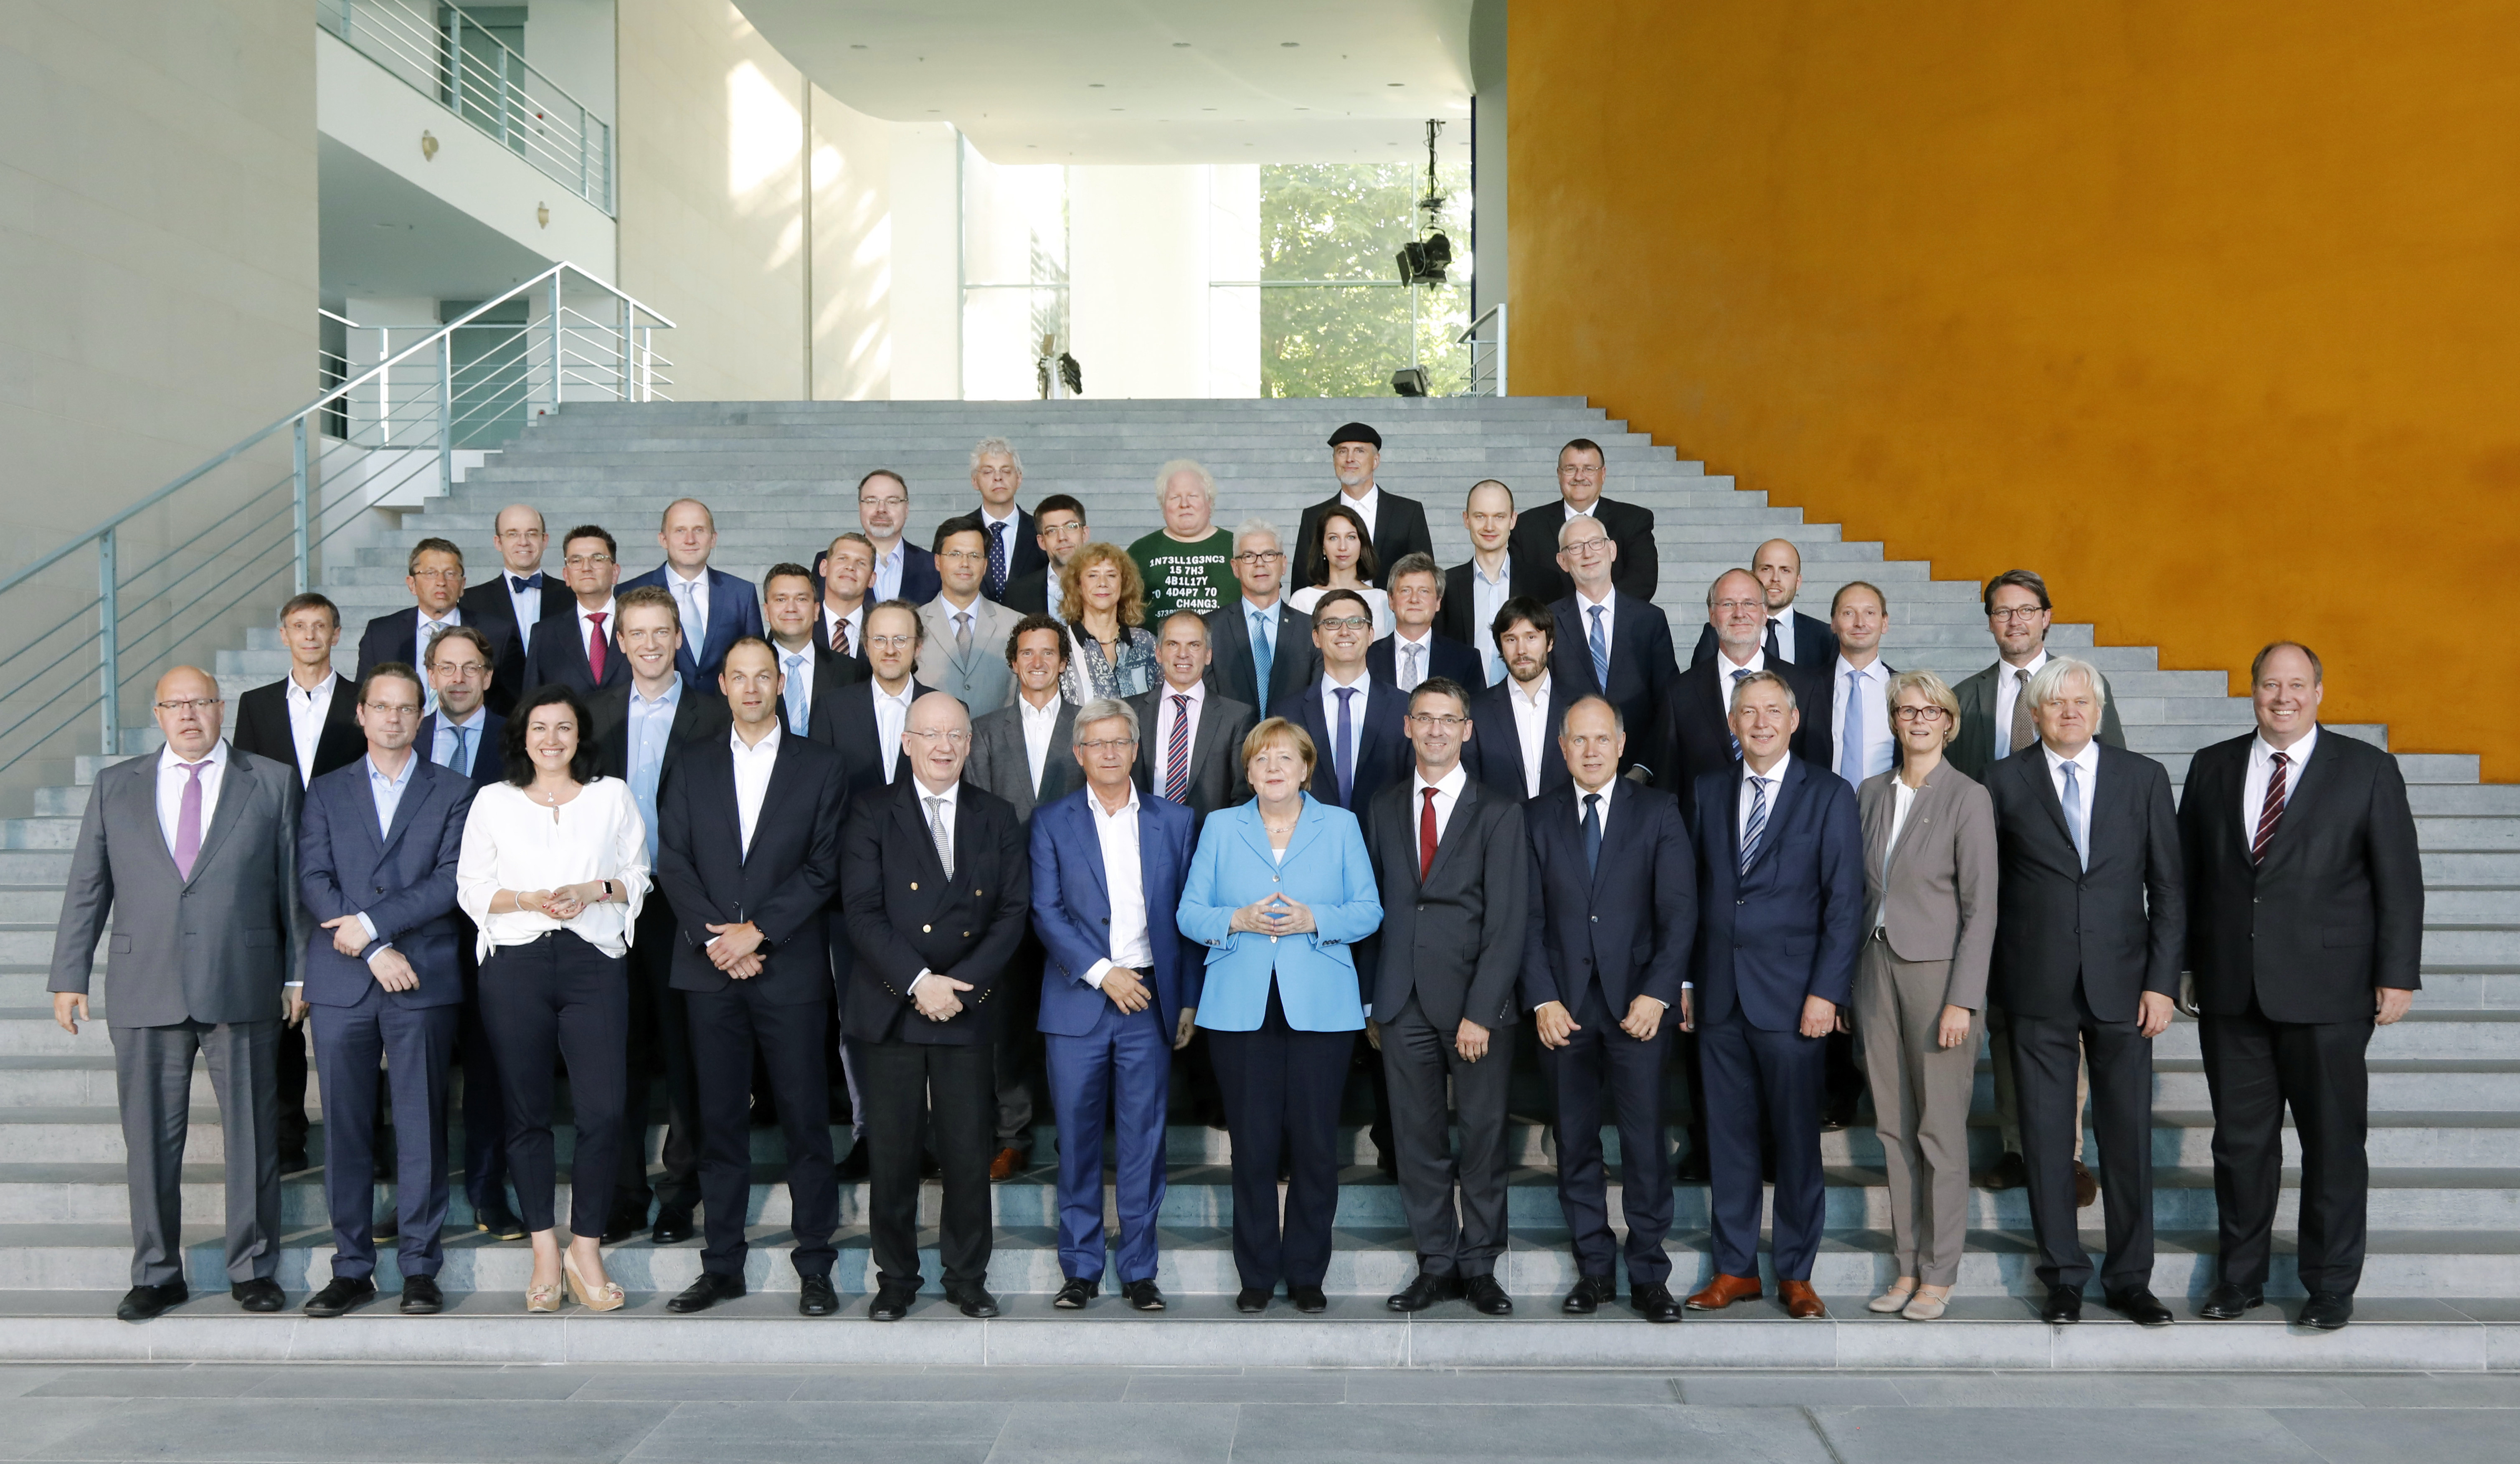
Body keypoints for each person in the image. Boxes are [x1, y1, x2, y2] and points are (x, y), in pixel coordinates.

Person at [48, 667, 304, 1323]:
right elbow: (88, 885)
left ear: (222, 708)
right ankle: (157, 1273)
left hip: (242, 980)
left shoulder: (271, 780)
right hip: (145, 981)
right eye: (176, 704)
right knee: (150, 1140)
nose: (190, 714)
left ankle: (252, 1269)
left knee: (252, 1137)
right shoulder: (116, 786)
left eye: (202, 701)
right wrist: (69, 972)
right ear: (157, 714)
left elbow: (291, 888)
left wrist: (299, 974)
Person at [2180, 643, 2421, 1332]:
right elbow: (2188, 878)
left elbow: (2397, 882)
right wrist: (2184, 965)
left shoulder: (2366, 770)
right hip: (2230, 992)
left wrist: (2395, 973)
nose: (2279, 697)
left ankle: (2327, 1285)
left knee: (2332, 1145)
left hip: (2329, 991)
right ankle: (2238, 1278)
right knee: (2239, 1146)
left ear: (2318, 690)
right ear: (2249, 691)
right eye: (2267, 684)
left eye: (2293, 684)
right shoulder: (2211, 767)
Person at [1983, 656, 2183, 1327]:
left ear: (2098, 711)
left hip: (2126, 987)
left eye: (2081, 702)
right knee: (2044, 1139)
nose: (2069, 711)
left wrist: (2161, 984)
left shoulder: (2142, 778)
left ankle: (2131, 1279)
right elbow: (1987, 892)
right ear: (2033, 712)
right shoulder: (2003, 781)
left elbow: (2170, 891)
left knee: (2125, 1138)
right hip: (2036, 984)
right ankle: (2063, 1275)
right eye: (2055, 702)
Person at [653, 637, 850, 1317]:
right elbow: (672, 861)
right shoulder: (690, 763)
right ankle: (722, 1265)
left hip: (787, 969)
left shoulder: (821, 767)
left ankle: (815, 1264)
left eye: (761, 675)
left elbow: (825, 866)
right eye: (737, 677)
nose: (749, 687)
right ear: (724, 686)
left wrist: (756, 932)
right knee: (718, 1127)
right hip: (709, 971)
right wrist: (720, 940)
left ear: (779, 683)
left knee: (803, 1123)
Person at [1178, 717, 1383, 1312]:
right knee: (1254, 1145)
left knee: (1317, 1146)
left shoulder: (1339, 825)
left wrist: (1314, 918)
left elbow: (1368, 910)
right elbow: (1189, 913)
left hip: (1320, 1006)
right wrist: (1232, 920)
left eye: (1285, 758)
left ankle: (1306, 1273)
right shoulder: (1220, 826)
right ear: (1247, 771)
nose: (1273, 767)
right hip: (1240, 1007)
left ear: (1305, 768)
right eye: (1261, 758)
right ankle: (1257, 1273)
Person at [840, 693, 1032, 1321]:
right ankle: (895, 1277)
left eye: (955, 734)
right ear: (907, 742)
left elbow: (1011, 912)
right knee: (893, 1153)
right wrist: (919, 980)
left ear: (970, 744)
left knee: (967, 1152)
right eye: (930, 734)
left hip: (966, 1007)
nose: (943, 745)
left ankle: (966, 1275)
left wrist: (961, 985)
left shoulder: (996, 814)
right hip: (893, 1005)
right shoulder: (871, 811)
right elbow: (861, 912)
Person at [455, 684, 647, 1313]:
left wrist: (594, 889)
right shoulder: (493, 801)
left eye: (564, 727)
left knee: (605, 1110)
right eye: (540, 727)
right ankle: (544, 1244)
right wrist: (531, 899)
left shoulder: (609, 795)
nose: (552, 739)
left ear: (579, 735)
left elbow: (639, 874)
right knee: (526, 1112)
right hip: (515, 963)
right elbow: (472, 887)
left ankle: (584, 1245)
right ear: (522, 736)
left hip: (594, 961)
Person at [292, 661, 476, 1318]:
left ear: (421, 716)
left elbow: (452, 879)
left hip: (421, 976)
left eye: (406, 708)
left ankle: (421, 1267)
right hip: (345, 980)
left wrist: (374, 924)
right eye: (382, 707)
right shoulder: (326, 789)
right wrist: (371, 946)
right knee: (345, 1129)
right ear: (361, 714)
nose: (393, 718)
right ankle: (351, 1267)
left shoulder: (455, 790)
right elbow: (312, 877)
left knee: (422, 1125)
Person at [1682, 670, 1863, 1323]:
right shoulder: (1706, 791)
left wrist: (1826, 991)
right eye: (1746, 712)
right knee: (1727, 1138)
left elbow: (1845, 905)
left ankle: (1795, 1273)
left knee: (1793, 1140)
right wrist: (1685, 980)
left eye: (1771, 711)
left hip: (1794, 1000)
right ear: (1732, 724)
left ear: (1792, 721)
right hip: (1720, 995)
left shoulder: (1829, 794)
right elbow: (1692, 895)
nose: (1759, 722)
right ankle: (1734, 1269)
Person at [1521, 695, 1693, 1319]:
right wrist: (1540, 995)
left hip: (1637, 1010)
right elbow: (1526, 919)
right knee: (1574, 1142)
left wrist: (1656, 993)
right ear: (1562, 748)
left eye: (1602, 740)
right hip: (1562, 1011)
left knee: (1646, 1143)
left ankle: (1649, 1272)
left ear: (1621, 745)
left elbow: (1680, 914)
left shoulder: (1658, 810)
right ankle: (1593, 1268)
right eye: (1578, 740)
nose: (1590, 751)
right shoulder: (1535, 817)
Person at [1952, 570, 2120, 1195]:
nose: (2014, 622)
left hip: (2069, 901)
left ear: (2047, 617)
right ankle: (2018, 1147)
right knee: (2004, 1024)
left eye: (2026, 611)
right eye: (2001, 612)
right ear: (1989, 621)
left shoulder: (2083, 690)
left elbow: (2116, 792)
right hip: (1996, 891)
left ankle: (2066, 1153)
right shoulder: (1966, 697)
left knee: (2065, 1030)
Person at [1363, 676, 1527, 1315]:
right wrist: (1374, 1000)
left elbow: (1508, 920)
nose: (1435, 729)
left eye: (1447, 719)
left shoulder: (1499, 811)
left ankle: (1480, 1264)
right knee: (1416, 1138)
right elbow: (1374, 907)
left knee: (1483, 1136)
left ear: (1467, 729)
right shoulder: (1381, 805)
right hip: (1400, 1003)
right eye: (1423, 718)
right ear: (1406, 727)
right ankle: (1435, 1260)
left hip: (1474, 1008)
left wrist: (1481, 1010)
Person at [1029, 698, 1199, 1311]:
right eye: (1096, 743)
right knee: (1075, 1140)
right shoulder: (1050, 821)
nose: (1108, 752)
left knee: (1142, 1141)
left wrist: (1185, 1001)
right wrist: (1105, 974)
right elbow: (1045, 912)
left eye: (1119, 742)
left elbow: (1188, 915)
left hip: (1150, 1000)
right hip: (1080, 999)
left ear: (1135, 749)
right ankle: (1079, 1267)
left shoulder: (1174, 821)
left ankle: (1138, 1269)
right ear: (1078, 754)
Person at [1853, 669, 1996, 1323]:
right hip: (1875, 970)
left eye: (1929, 708)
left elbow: (1981, 908)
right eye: (1904, 708)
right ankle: (1907, 1265)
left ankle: (1940, 1272)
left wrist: (1963, 1000)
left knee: (1938, 1128)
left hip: (1938, 977)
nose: (1916, 717)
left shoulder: (1968, 797)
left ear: (1948, 721)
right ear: (1892, 720)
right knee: (1892, 1126)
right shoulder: (1870, 793)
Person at [588, 587, 727, 1244]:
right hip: (610, 908)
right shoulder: (591, 716)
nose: (648, 643)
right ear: (620, 641)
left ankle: (681, 1190)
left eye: (660, 632)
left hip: (684, 906)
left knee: (685, 1056)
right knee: (616, 1056)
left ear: (678, 639)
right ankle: (622, 1192)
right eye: (635, 632)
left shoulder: (715, 713)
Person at [230, 591, 363, 1173]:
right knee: (280, 1005)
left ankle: (364, 1137)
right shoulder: (256, 704)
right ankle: (287, 1135)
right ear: (284, 634)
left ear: (337, 633)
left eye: (320, 626)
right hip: (275, 866)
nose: (309, 635)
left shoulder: (364, 700)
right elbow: (243, 785)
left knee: (354, 1003)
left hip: (348, 865)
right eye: (298, 626)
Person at [965, 615, 1084, 1180]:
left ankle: (1076, 1136)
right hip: (1006, 904)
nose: (1038, 661)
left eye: (1049, 652)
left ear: (1064, 662)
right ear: (1013, 663)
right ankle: (1011, 1135)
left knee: (1072, 1024)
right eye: (1028, 653)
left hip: (1076, 904)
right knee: (1007, 1025)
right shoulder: (984, 730)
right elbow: (978, 823)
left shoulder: (1090, 727)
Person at [819, 598, 935, 1178]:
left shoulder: (942, 707)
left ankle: (927, 1134)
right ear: (864, 645)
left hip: (933, 891)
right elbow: (819, 801)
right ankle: (871, 1133)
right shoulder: (833, 707)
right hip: (854, 890)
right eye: (879, 639)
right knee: (859, 1018)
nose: (890, 649)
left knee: (930, 1009)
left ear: (918, 645)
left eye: (901, 639)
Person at [413, 625, 520, 1238]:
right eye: (446, 666)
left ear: (486, 675)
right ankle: (414, 1192)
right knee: (416, 1070)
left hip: (493, 928)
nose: (457, 677)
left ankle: (487, 1189)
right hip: (420, 931)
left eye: (470, 667)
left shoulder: (518, 738)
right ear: (431, 673)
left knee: (489, 1066)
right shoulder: (405, 733)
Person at [1657, 569, 1833, 825]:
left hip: (1788, 847)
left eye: (1749, 604)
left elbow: (1819, 780)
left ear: (1764, 614)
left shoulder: (1806, 688)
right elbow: (1668, 790)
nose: (1740, 613)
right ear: (1712, 615)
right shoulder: (1678, 693)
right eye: (1728, 604)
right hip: (1705, 852)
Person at [1546, 516, 1677, 775]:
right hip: (1569, 775)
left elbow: (1669, 704)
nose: (1588, 553)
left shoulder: (1650, 620)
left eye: (1596, 543)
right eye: (1576, 547)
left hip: (1639, 776)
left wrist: (1644, 767)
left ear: (1612, 550)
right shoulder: (1546, 623)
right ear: (1563, 561)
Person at [1270, 588, 1408, 820]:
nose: (1345, 631)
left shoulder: (1404, 707)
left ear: (1371, 634)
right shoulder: (1286, 712)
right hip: (1310, 843)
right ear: (1316, 638)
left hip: (1383, 848)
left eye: (1356, 622)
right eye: (1332, 623)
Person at [619, 498, 764, 690]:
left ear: (713, 539)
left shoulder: (741, 593)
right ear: (663, 539)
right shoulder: (629, 592)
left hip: (725, 715)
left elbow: (759, 661)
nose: (690, 540)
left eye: (699, 530)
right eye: (680, 531)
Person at [358, 538, 514, 716]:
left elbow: (509, 704)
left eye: (450, 574)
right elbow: (364, 698)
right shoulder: (381, 634)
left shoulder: (498, 634)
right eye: (431, 573)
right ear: (412, 584)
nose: (441, 582)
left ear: (463, 585)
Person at [1132, 610, 1256, 821]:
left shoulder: (1237, 717)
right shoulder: (1130, 711)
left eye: (1194, 645)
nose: (1183, 654)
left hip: (1208, 844)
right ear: (1159, 653)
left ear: (1208, 655)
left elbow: (1244, 794)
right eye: (1173, 644)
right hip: (1140, 842)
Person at [1511, 439, 1658, 606]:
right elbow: (1519, 588)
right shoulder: (1526, 527)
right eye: (1570, 469)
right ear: (1559, 474)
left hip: (1614, 626)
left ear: (1603, 474)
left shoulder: (1634, 520)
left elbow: (1643, 581)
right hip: (1548, 627)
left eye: (1589, 469)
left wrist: (1597, 612)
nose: (1579, 477)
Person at [1464, 597, 1577, 802]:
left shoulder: (1580, 707)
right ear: (1500, 647)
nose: (1521, 650)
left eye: (1531, 637)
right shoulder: (1476, 712)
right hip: (1501, 831)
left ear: (1550, 642)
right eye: (1511, 639)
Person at [1295, 421, 1432, 589]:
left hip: (1391, 613)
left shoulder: (1408, 513)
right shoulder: (1313, 517)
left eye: (1359, 451)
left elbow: (1426, 577)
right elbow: (1303, 580)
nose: (1350, 459)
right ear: (1334, 461)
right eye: (1342, 451)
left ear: (1376, 461)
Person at [458, 503, 573, 699]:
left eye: (532, 534)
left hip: (558, 708)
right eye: (513, 534)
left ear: (545, 540)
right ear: (498, 542)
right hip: (497, 714)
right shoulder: (471, 601)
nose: (524, 542)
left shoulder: (572, 596)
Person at [1205, 519, 1319, 714]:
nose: (1260, 563)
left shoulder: (1310, 629)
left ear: (1284, 565)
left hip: (1293, 741)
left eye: (1269, 555)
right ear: (1235, 567)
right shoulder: (1210, 628)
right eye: (1249, 556)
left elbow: (1316, 702)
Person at [1688, 539, 1840, 673]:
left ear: (1798, 581)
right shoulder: (1717, 631)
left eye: (1785, 570)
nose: (1775, 579)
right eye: (1766, 569)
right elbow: (1699, 688)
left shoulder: (1825, 637)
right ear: (1752, 576)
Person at [917, 521, 1023, 713]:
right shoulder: (914, 624)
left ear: (985, 565)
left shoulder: (1017, 625)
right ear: (938, 562)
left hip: (998, 741)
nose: (965, 564)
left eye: (974, 556)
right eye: (955, 554)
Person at [763, 561, 864, 742]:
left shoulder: (850, 672)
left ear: (817, 610)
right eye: (781, 599)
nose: (791, 608)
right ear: (767, 611)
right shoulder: (744, 671)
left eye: (801, 599)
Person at [522, 525, 629, 696]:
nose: (586, 567)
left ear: (615, 572)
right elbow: (531, 703)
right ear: (566, 575)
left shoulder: (639, 624)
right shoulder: (544, 635)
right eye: (576, 560)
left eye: (598, 559)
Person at [1127, 458, 1237, 623]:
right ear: (1163, 505)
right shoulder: (1139, 552)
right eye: (1175, 498)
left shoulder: (1238, 546)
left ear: (1210, 501)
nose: (1184, 504)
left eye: (1193, 496)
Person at [1441, 480, 1526, 684]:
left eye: (1499, 517)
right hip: (1463, 704)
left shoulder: (1544, 583)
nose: (1489, 526)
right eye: (1481, 516)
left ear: (1513, 520)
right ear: (1466, 519)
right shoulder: (1446, 586)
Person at [1057, 541, 1159, 704]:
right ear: (1078, 585)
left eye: (1111, 575)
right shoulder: (1061, 645)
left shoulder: (1147, 643)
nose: (1103, 583)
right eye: (1093, 575)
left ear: (1123, 584)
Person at [1369, 553, 1483, 691]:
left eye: (1424, 591)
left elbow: (1477, 711)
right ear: (1391, 600)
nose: (1414, 599)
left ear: (1438, 602)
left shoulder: (1466, 660)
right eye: (1406, 591)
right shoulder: (1366, 657)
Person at [1828, 581, 1898, 788]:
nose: (1860, 623)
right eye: (1849, 613)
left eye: (1870, 613)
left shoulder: (1903, 689)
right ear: (1833, 623)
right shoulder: (1806, 687)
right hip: (1822, 810)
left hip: (1888, 809)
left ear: (1884, 623)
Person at [1288, 503, 1393, 637]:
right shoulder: (1302, 600)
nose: (1343, 547)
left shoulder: (1383, 600)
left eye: (1351, 537)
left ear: (1362, 544)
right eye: (1333, 538)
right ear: (1323, 547)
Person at [966, 436, 1044, 604]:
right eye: (988, 472)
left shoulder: (1041, 531)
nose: (998, 478)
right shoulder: (958, 532)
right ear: (975, 481)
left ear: (1019, 478)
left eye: (1006, 471)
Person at [855, 469, 941, 606]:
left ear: (906, 509)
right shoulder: (831, 564)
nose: (881, 509)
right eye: (871, 501)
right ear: (860, 507)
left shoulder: (933, 566)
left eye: (893, 502)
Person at [1002, 494, 1087, 619]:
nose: (1062, 537)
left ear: (1085, 534)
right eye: (1052, 530)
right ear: (1041, 542)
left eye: (1070, 527)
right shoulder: (1017, 594)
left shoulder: (1105, 585)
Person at [817, 530, 877, 666]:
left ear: (872, 580)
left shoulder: (882, 629)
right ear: (824, 568)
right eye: (843, 558)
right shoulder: (800, 623)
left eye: (861, 563)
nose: (851, 567)